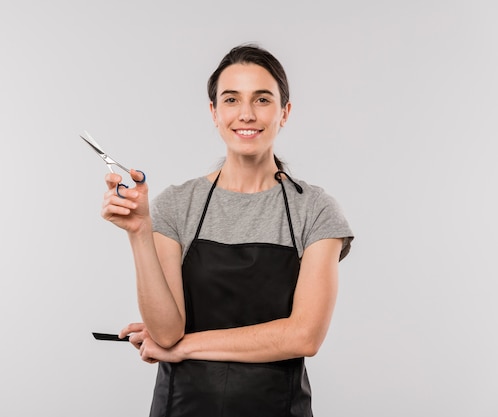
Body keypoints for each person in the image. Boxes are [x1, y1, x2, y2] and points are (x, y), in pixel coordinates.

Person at [100, 43, 354, 417]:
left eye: (262, 100)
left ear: (285, 112)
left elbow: (305, 336)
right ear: (214, 112)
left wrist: (184, 348)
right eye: (231, 100)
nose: (246, 114)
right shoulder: (177, 204)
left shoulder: (314, 210)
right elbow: (166, 332)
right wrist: (139, 232)